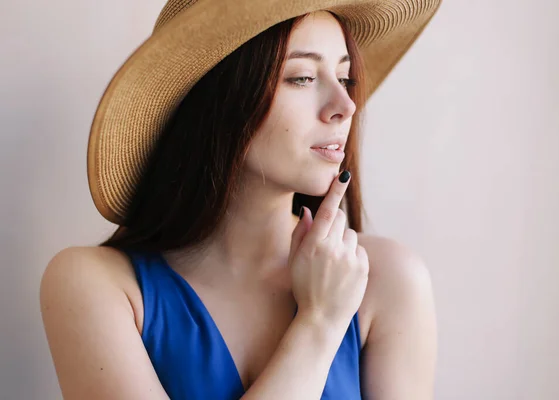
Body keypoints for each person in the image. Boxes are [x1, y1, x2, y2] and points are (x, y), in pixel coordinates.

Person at [40, 1, 440, 399]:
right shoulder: (94, 284)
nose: (346, 106)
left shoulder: (388, 280)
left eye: (345, 78)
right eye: (302, 77)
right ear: (221, 98)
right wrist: (319, 324)